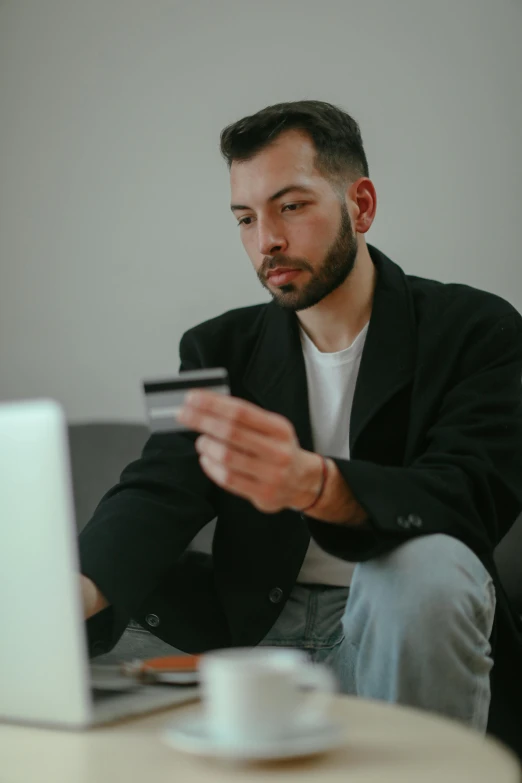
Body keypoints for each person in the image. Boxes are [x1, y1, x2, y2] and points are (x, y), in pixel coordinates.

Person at [79, 100, 522, 755]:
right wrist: (62, 596)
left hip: (391, 631)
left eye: (291, 206)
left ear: (361, 206)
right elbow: (158, 485)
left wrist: (317, 484)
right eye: (246, 218)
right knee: (79, 618)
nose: (267, 241)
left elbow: (469, 495)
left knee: (425, 566)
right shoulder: (208, 347)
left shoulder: (482, 328)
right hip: (252, 633)